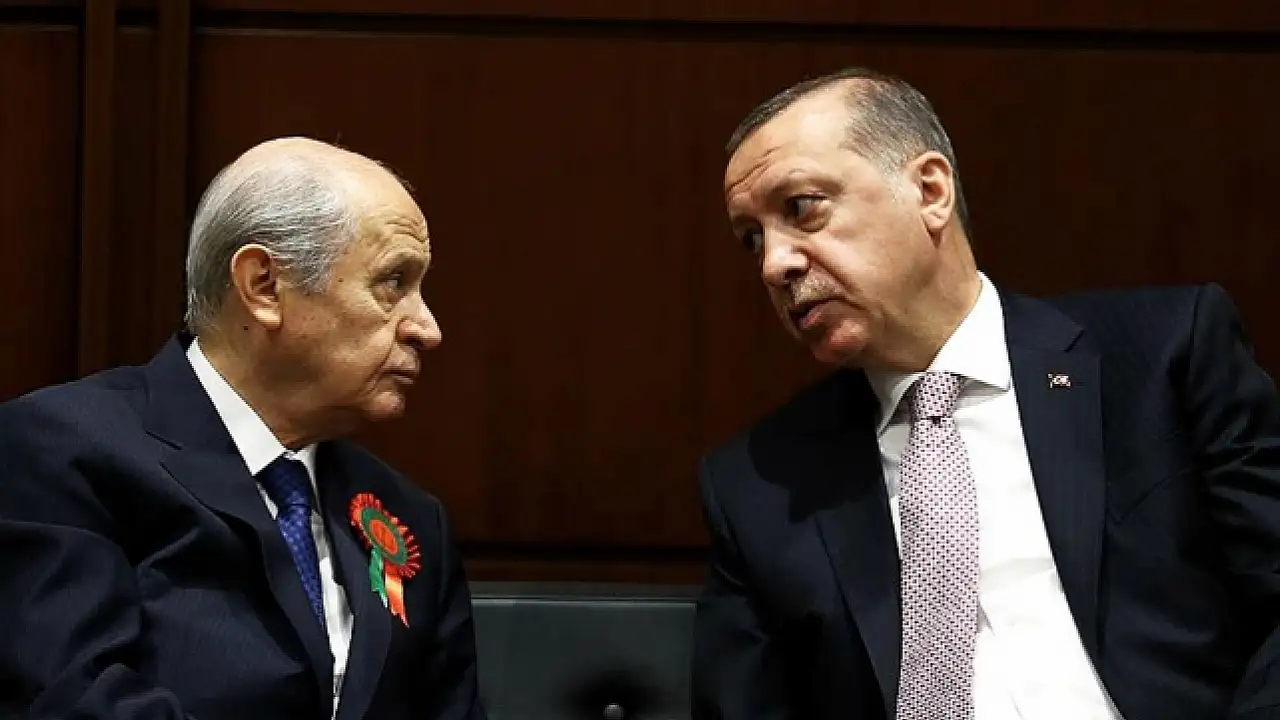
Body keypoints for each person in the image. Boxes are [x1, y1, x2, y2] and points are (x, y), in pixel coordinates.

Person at [692, 67, 1280, 720]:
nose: (775, 263)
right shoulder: (760, 486)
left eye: (801, 208)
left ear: (930, 191)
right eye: (753, 239)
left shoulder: (1161, 358)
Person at [0, 137, 486, 719]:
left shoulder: (409, 517)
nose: (427, 328)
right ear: (263, 286)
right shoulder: (61, 451)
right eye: (393, 283)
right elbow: (75, 699)